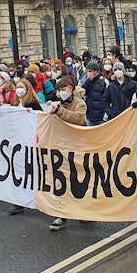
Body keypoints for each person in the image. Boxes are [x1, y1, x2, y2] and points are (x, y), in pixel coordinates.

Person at [48, 76, 87, 231]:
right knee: (61, 181)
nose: (61, 92)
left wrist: (59, 112)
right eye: (59, 90)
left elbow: (78, 118)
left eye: (63, 89)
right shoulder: (60, 105)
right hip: (63, 146)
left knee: (79, 180)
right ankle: (61, 215)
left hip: (78, 146)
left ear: (71, 88)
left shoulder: (80, 103)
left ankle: (84, 211)